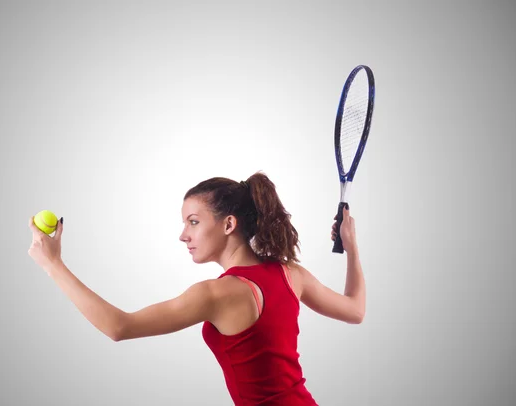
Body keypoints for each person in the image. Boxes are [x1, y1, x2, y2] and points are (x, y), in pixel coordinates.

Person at [28, 171, 366, 405]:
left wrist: (53, 265)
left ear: (229, 224)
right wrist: (352, 249)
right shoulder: (292, 274)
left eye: (193, 221)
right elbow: (356, 310)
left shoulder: (216, 294)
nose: (183, 235)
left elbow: (120, 327)